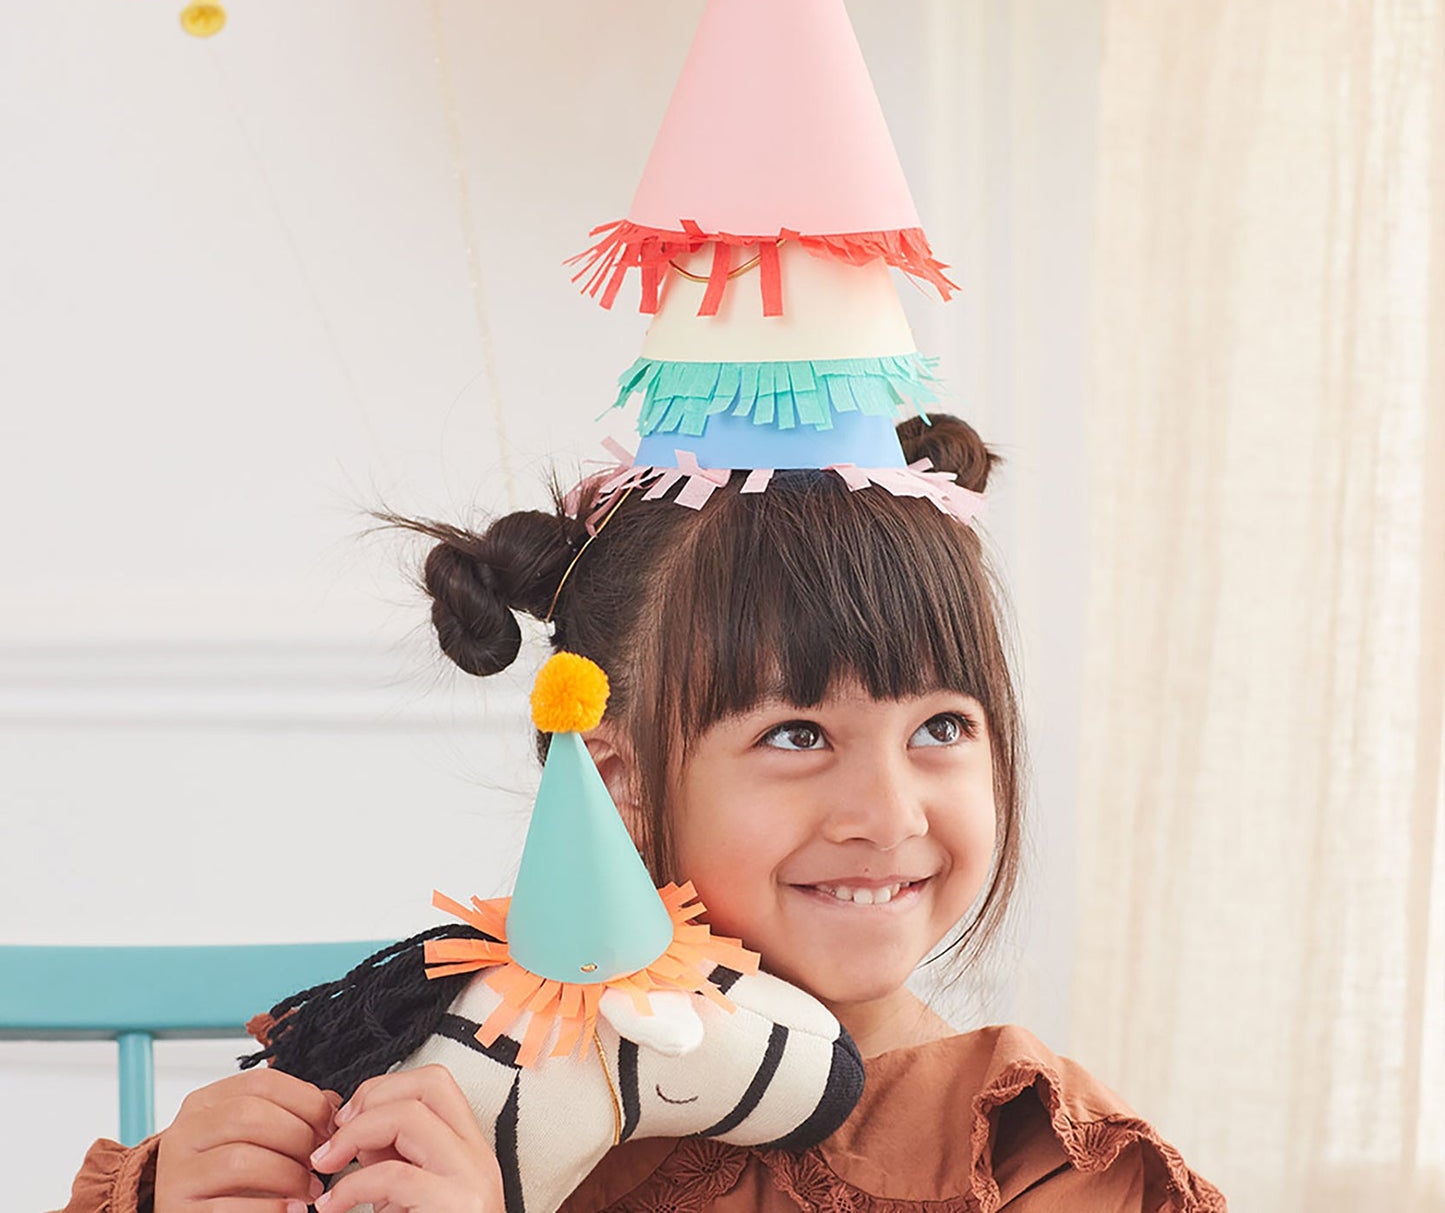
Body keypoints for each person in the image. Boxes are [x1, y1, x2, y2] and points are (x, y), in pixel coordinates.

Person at [55, 414, 1226, 1213]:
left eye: (940, 727)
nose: (885, 810)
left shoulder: (1022, 1149)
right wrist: (188, 1183)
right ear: (615, 773)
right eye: (795, 734)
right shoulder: (462, 1072)